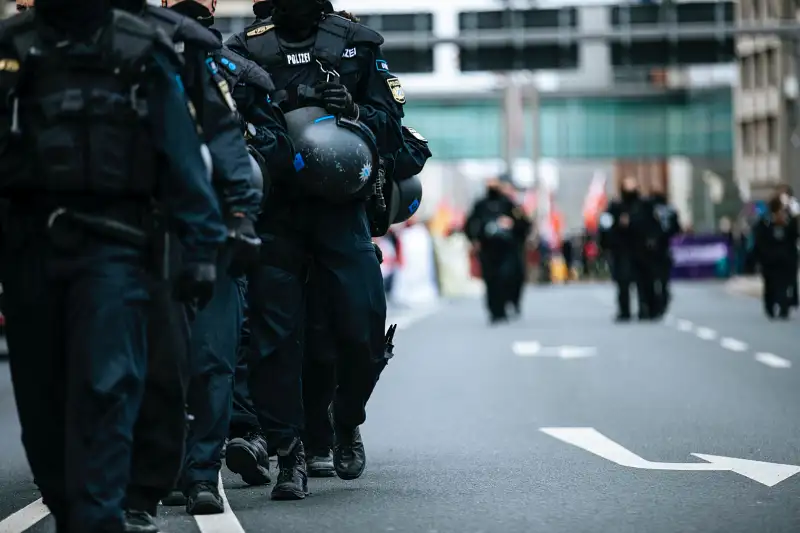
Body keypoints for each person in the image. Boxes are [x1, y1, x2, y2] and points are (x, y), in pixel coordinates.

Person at [0, 1, 228, 532]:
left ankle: (100, 518)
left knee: (105, 389)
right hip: (29, 252)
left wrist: (203, 248)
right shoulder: (10, 48)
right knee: (42, 406)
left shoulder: (142, 47)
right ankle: (76, 512)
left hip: (115, 250)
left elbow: (182, 156)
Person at [225, 0, 405, 500]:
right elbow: (223, 126)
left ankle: (346, 420)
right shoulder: (243, 51)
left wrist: (354, 111)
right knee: (272, 340)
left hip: (341, 209)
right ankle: (289, 455)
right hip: (277, 211)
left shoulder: (356, 43)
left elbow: (393, 128)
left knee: (362, 326)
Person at [302, 121, 430, 478]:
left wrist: (359, 128)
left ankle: (346, 420)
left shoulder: (358, 86)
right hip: (284, 221)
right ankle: (296, 443)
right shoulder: (265, 83)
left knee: (364, 336)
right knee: (298, 342)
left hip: (347, 222)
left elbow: (412, 150)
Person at [465, 180, 532, 324]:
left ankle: (507, 304)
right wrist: (474, 240)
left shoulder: (509, 204)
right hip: (488, 249)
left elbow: (524, 224)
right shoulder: (480, 205)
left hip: (507, 250)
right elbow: (470, 224)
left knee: (507, 277)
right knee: (491, 281)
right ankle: (495, 311)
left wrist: (512, 224)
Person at [599, 176, 657, 321]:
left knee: (644, 282)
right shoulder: (615, 207)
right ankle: (624, 311)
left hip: (641, 250)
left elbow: (651, 226)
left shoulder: (644, 206)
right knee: (623, 282)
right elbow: (606, 226)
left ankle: (646, 309)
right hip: (622, 250)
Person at [755, 196, 799, 319]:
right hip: (770, 260)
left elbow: (794, 237)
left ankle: (784, 307)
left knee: (785, 284)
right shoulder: (765, 222)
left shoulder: (789, 221)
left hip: (785, 259)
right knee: (770, 285)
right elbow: (760, 240)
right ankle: (770, 306)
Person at [649, 186, 680, 317]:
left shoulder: (650, 210)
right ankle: (662, 299)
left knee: (654, 279)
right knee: (663, 280)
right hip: (665, 247)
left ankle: (657, 302)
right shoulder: (671, 210)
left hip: (654, 249)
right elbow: (676, 229)